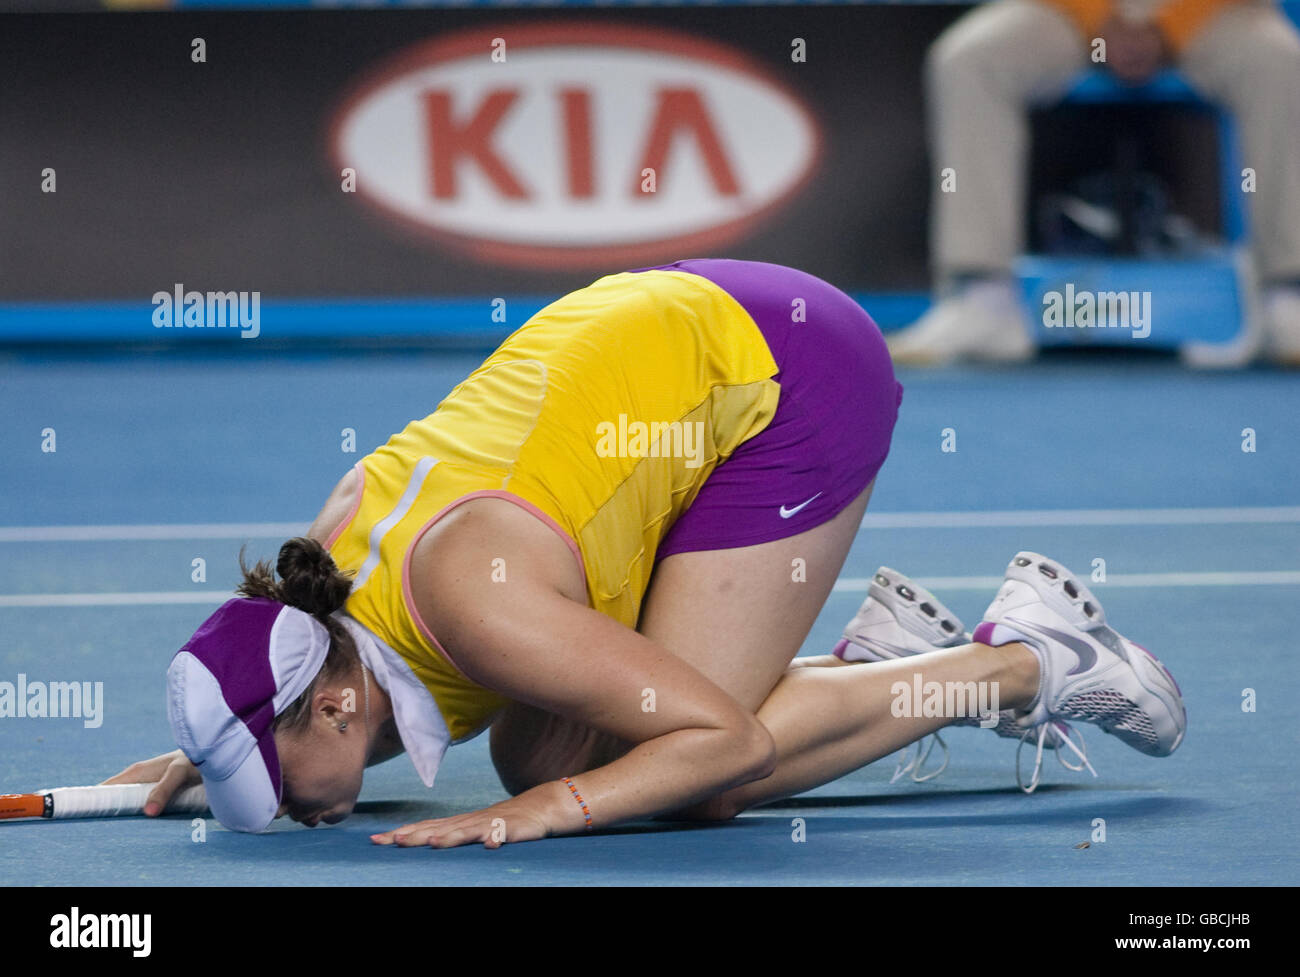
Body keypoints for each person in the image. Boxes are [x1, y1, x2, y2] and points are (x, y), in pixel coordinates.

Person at [105, 259, 1185, 847]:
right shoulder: (331, 594)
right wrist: (212, 749)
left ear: (331, 708)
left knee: (676, 776)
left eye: (273, 783)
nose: (284, 808)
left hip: (781, 373)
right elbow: (354, 715)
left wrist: (545, 812)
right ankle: (870, 676)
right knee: (553, 746)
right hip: (649, 360)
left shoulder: (470, 601)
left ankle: (1028, 657)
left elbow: (717, 740)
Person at [890, 0, 1300, 365]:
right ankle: (984, 298)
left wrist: (1169, 24)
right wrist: (1102, 17)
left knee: (1282, 60)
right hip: (1066, 10)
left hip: (1216, 11)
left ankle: (1287, 297)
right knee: (968, 59)